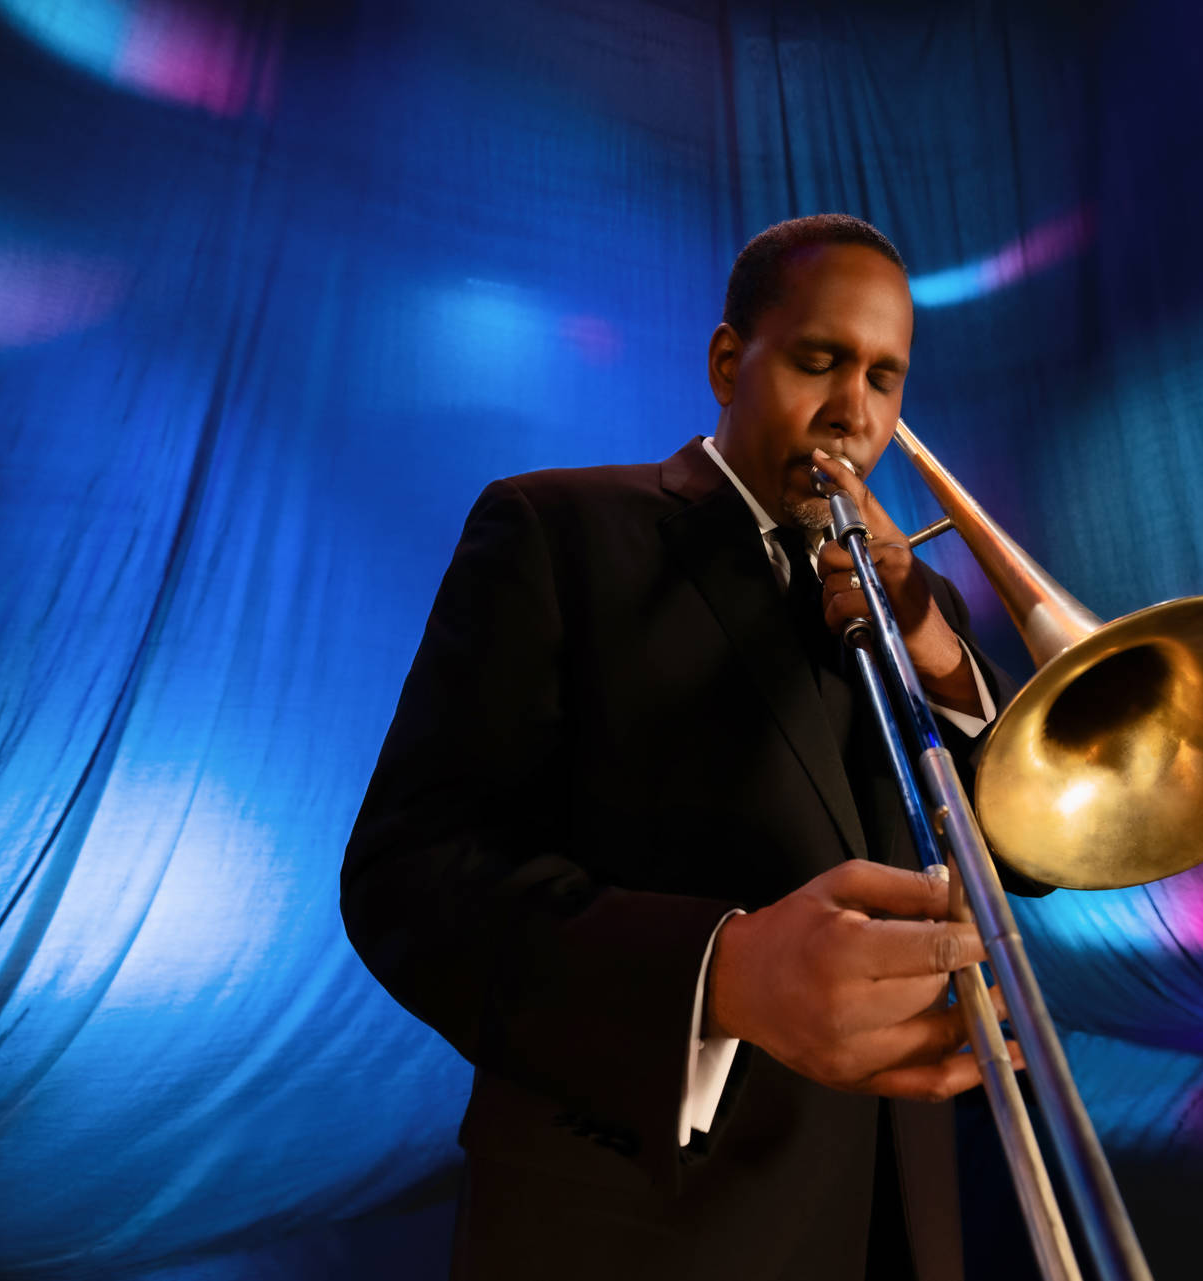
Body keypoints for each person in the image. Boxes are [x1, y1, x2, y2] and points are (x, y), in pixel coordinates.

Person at [341, 214, 1046, 1280]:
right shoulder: (555, 530)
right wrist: (724, 978)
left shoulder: (917, 601)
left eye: (886, 378)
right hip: (641, 1227)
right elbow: (406, 879)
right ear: (730, 362)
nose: (855, 412)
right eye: (821, 360)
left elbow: (1029, 860)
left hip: (894, 1221)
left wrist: (932, 640)